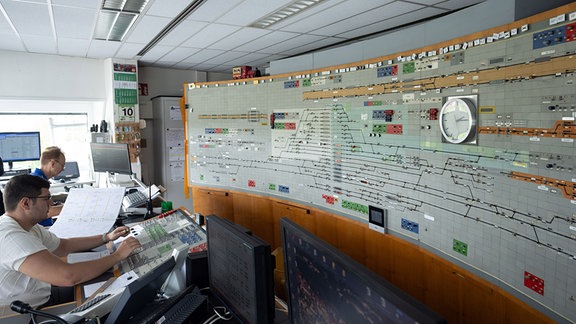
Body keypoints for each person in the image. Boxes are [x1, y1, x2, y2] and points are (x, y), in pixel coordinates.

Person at [0, 174, 142, 317]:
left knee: (110, 287)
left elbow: (63, 246)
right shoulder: (10, 236)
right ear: (25, 203)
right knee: (115, 305)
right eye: (46, 198)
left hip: (41, 294)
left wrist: (106, 237)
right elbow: (68, 277)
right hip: (24, 312)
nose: (51, 203)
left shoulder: (26, 225)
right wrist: (117, 256)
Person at [30, 146, 66, 226]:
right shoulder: (37, 182)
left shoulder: (37, 178)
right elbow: (44, 212)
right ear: (52, 163)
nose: (63, 169)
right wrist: (71, 207)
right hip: (43, 228)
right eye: (62, 165)